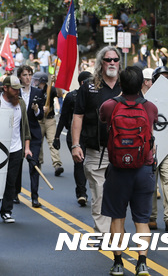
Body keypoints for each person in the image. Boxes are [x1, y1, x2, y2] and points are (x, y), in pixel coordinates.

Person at [99, 66, 157, 276]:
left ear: (121, 84)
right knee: (142, 220)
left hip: (118, 170)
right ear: (142, 83)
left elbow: (103, 121)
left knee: (117, 218)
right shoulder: (150, 108)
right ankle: (142, 262)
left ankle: (118, 263)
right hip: (143, 169)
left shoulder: (109, 105)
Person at [71, 46, 122, 237]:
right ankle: (102, 234)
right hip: (96, 149)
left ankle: (116, 232)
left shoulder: (127, 85)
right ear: (101, 63)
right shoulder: (89, 87)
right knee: (99, 192)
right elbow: (78, 116)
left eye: (115, 60)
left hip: (122, 150)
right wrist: (76, 145)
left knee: (118, 193)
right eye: (108, 60)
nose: (112, 63)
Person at [0, 75, 32, 223]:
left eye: (19, 89)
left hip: (16, 148)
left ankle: (6, 211)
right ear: (4, 88)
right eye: (14, 89)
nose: (17, 92)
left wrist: (26, 148)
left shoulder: (21, 104)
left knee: (11, 182)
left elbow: (24, 127)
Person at [53, 71, 93, 206]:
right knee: (79, 163)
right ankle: (81, 193)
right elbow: (63, 117)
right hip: (74, 135)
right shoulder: (71, 97)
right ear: (82, 83)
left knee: (90, 164)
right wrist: (57, 136)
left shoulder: (94, 95)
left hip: (90, 134)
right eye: (89, 81)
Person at [148, 66, 168, 232]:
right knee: (151, 183)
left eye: (167, 78)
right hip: (149, 147)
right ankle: (151, 217)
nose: (164, 82)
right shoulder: (146, 100)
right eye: (161, 78)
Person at [16, 65, 44, 207]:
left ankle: (34, 197)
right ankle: (15, 192)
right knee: (17, 163)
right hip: (18, 134)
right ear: (20, 76)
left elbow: (41, 116)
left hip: (33, 134)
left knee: (34, 164)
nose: (28, 78)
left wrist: (37, 110)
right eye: (25, 75)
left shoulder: (38, 92)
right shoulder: (15, 92)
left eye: (30, 75)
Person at [33, 71, 64, 176]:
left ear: (42, 81)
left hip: (50, 120)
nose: (35, 81)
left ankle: (57, 165)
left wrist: (57, 84)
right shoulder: (34, 91)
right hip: (39, 121)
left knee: (52, 142)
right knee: (38, 143)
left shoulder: (50, 88)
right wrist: (40, 109)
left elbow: (60, 95)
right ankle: (38, 164)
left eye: (37, 80)